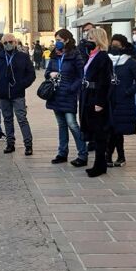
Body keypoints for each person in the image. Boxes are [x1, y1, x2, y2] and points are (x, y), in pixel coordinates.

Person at [44, 29, 88, 167]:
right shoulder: (54, 55)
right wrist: (50, 74)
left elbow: (81, 75)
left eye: (59, 40)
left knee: (72, 124)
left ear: (67, 40)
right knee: (61, 124)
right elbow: (47, 72)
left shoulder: (75, 55)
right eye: (56, 40)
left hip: (68, 94)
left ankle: (83, 154)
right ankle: (62, 153)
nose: (57, 42)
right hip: (56, 94)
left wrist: (72, 88)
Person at [0, 32, 36, 155]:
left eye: (10, 42)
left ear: (15, 43)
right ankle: (10, 143)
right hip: (3, 94)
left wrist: (22, 84)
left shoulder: (22, 57)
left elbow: (31, 74)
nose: (8, 44)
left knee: (22, 119)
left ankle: (28, 144)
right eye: (5, 43)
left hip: (18, 93)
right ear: (2, 44)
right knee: (7, 119)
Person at [78, 27, 113, 177]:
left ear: (98, 41)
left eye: (91, 39)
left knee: (99, 133)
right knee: (93, 131)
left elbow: (104, 82)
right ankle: (99, 163)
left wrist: (100, 102)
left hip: (96, 97)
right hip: (87, 95)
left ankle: (100, 164)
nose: (88, 41)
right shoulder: (90, 56)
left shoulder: (103, 58)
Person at [107, 34, 136, 167]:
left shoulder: (129, 62)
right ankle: (110, 156)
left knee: (117, 130)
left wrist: (128, 91)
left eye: (117, 46)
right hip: (109, 99)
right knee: (110, 129)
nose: (114, 48)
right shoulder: (107, 60)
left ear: (123, 46)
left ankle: (119, 156)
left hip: (123, 100)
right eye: (113, 45)